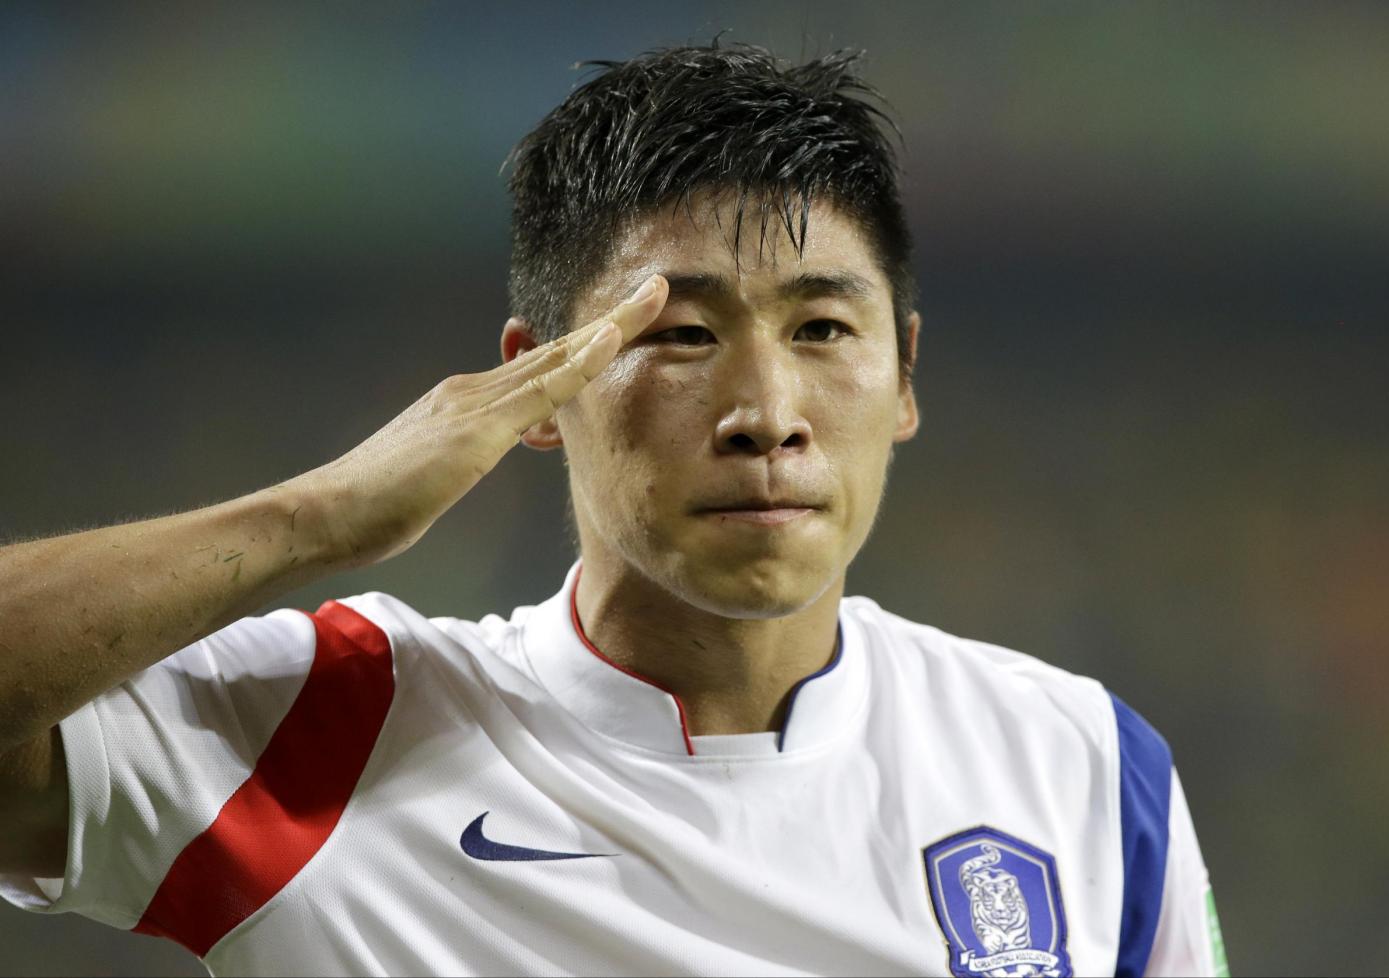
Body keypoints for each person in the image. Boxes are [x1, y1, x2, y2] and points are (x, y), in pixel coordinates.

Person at [0, 42, 1228, 977]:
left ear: (903, 375)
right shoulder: (325, 726)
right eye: (682, 335)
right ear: (538, 386)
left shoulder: (1076, 761)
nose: (766, 412)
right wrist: (321, 516)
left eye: (820, 329)